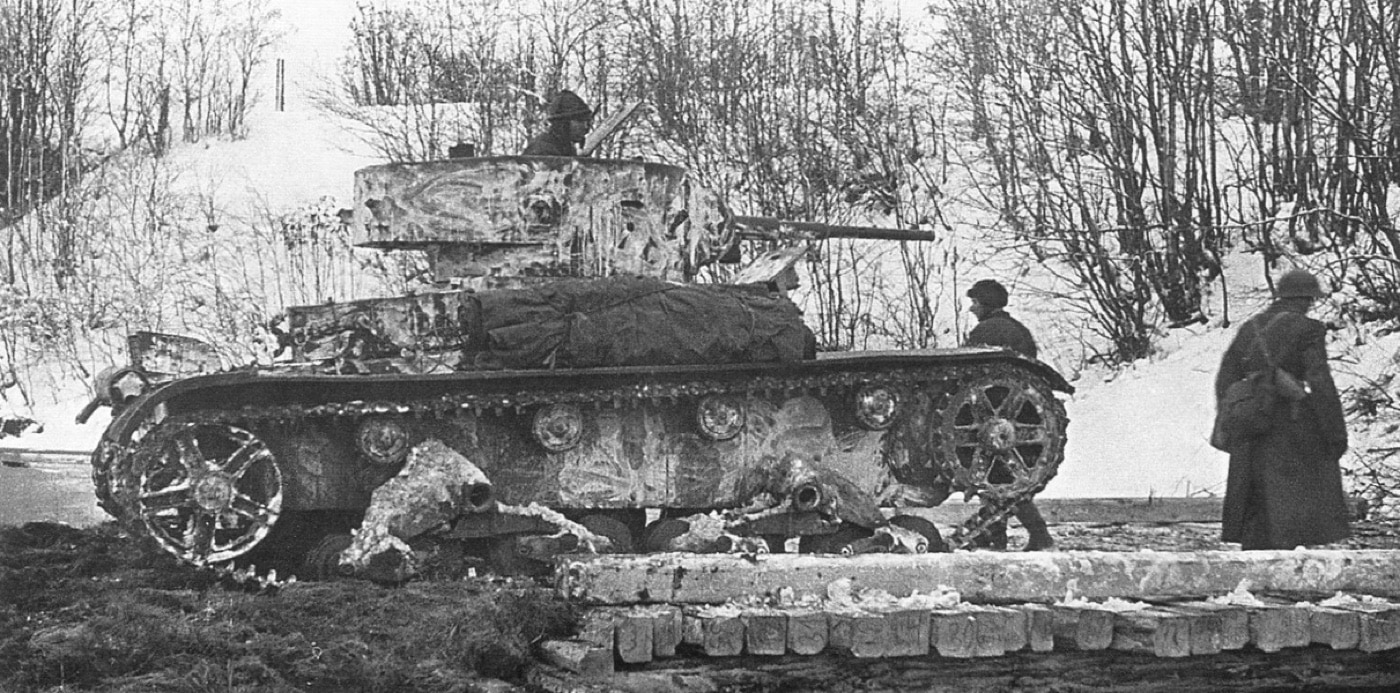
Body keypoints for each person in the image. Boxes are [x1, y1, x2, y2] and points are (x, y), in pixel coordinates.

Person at [1213, 269, 1350, 550]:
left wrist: (1241, 415)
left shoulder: (1251, 327)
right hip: (1292, 426)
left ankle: (1257, 560)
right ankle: (1290, 565)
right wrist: (1334, 432)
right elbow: (1320, 381)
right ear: (1306, 299)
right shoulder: (1309, 329)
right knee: (1292, 499)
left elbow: (1225, 379)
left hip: (1252, 426)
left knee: (1257, 497)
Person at [963, 279, 1055, 551]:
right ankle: (997, 535)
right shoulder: (1019, 330)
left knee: (1000, 480)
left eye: (975, 303)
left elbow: (972, 379)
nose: (972, 308)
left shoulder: (985, 331)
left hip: (993, 417)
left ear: (985, 304)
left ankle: (1034, 535)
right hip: (1020, 419)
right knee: (1003, 480)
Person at [522, 90, 594, 156]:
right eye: (580, 121)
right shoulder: (542, 150)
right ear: (564, 123)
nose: (585, 126)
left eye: (586, 121)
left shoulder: (565, 147)